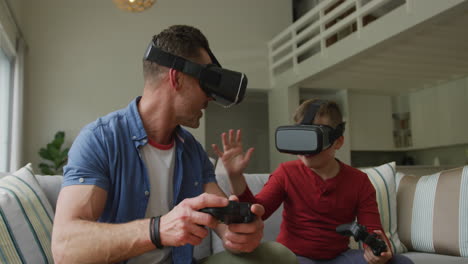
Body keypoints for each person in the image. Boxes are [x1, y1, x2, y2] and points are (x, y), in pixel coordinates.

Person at [51, 25, 297, 264]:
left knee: (277, 256)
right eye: (206, 84)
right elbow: (65, 248)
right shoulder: (100, 140)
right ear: (176, 77)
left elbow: (225, 225)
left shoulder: (192, 151)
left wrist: (240, 234)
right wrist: (157, 230)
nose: (210, 97)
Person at [213, 99, 414, 264]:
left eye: (315, 136)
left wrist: (379, 251)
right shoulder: (287, 172)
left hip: (339, 258)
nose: (307, 147)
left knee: (402, 263)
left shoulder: (359, 181)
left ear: (338, 141)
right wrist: (235, 176)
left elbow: (373, 230)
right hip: (294, 257)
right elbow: (258, 211)